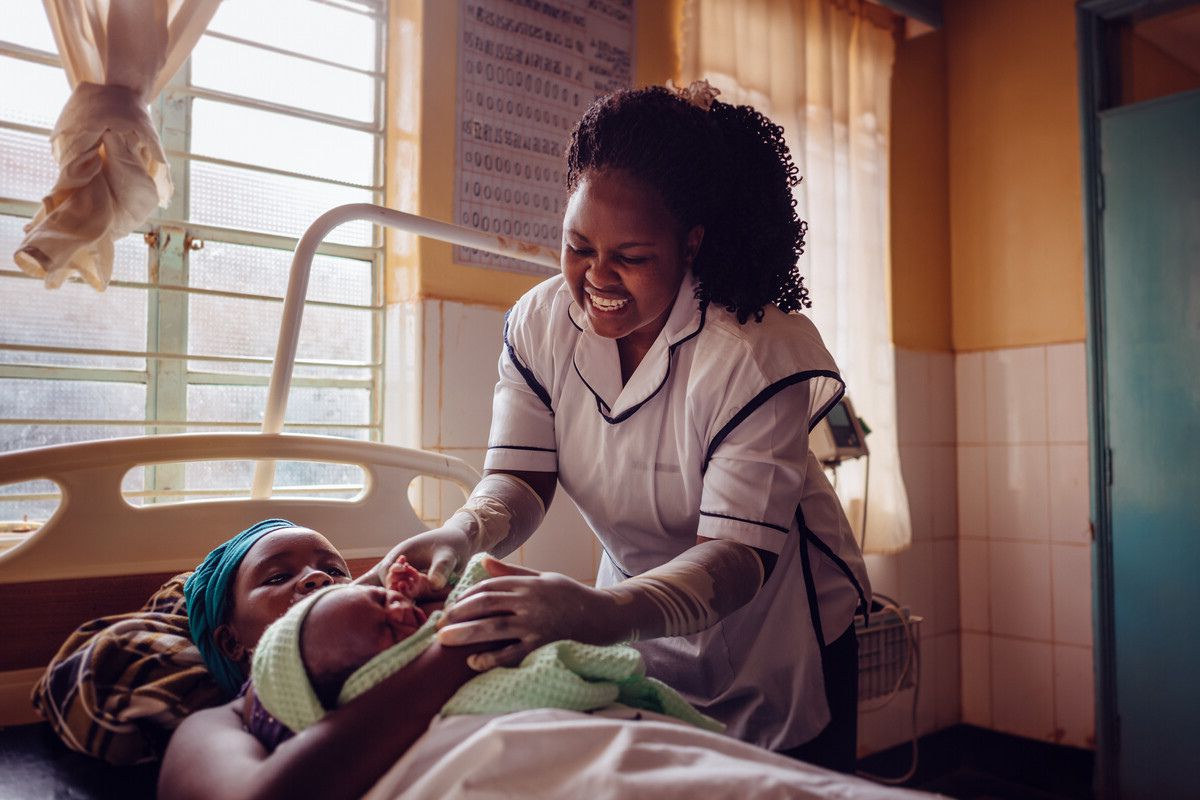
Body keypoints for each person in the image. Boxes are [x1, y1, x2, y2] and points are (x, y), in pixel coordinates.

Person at [377, 81, 871, 771]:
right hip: (641, 616)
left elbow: (736, 558)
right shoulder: (540, 323)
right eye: (578, 246)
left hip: (778, 632)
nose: (596, 276)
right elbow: (521, 478)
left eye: (630, 256)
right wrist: (463, 530)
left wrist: (597, 613)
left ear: (690, 244)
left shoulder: (756, 351)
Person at [160, 519, 490, 800]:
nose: (319, 579)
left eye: (332, 569)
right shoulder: (217, 726)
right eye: (276, 577)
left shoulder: (422, 621)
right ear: (232, 641)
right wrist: (460, 650)